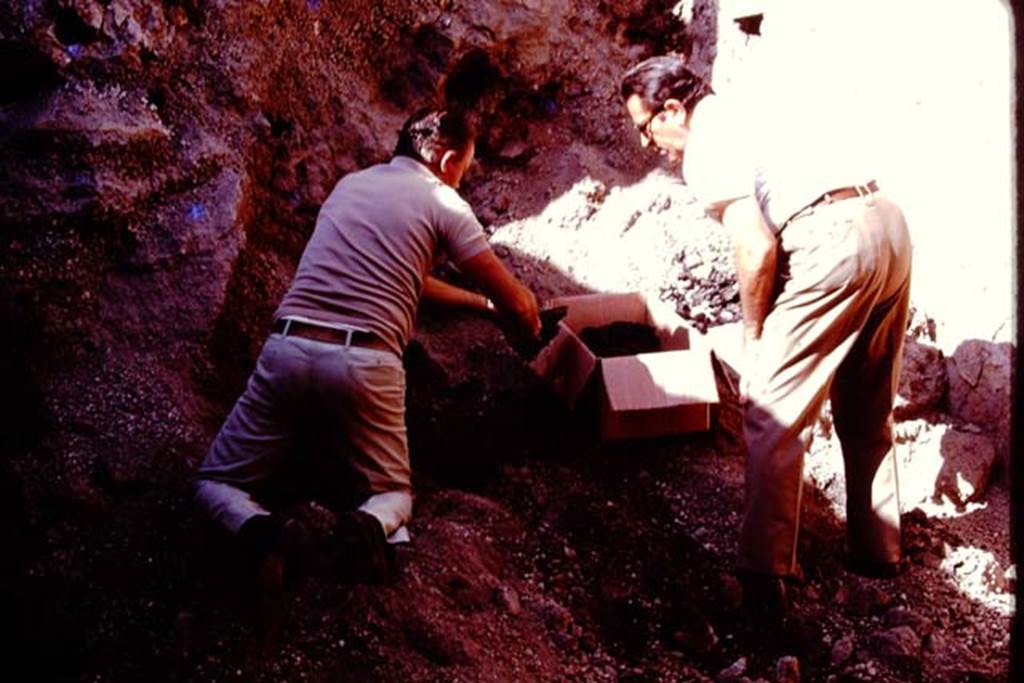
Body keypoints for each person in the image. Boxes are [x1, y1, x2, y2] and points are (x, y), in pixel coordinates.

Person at [194, 108, 541, 586]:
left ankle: (262, 531)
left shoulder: (351, 185)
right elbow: (519, 306)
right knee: (394, 494)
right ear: (446, 159)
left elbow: (411, 280)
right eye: (464, 165)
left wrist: (479, 304)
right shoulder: (443, 201)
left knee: (215, 482)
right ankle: (364, 528)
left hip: (287, 349)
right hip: (366, 363)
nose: (461, 177)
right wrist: (527, 330)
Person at [619, 55, 912, 618]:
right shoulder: (746, 107)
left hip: (831, 238)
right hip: (888, 224)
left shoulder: (704, 147)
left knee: (770, 409)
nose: (645, 143)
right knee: (868, 404)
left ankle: (763, 579)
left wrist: (755, 341)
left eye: (645, 125)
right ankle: (879, 551)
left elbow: (756, 246)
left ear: (674, 108)